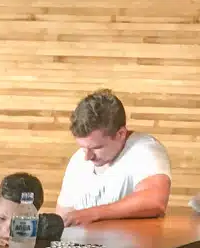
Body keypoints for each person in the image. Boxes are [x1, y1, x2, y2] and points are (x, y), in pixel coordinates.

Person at [56, 90, 171, 226]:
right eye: (83, 148)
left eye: (97, 148)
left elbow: (154, 201)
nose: (87, 157)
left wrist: (92, 214)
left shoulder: (144, 150)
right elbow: (63, 215)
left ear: (121, 134)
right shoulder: (78, 159)